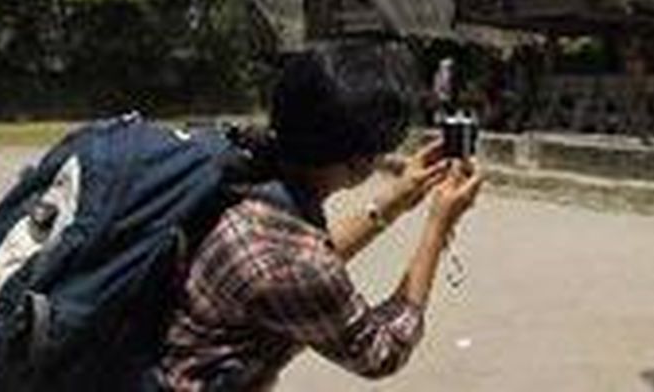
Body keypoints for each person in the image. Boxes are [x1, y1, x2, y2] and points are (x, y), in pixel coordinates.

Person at [155, 41, 483, 391]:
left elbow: (300, 262)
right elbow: (381, 353)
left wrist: (394, 202)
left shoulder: (243, 172)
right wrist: (438, 227)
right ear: (361, 161)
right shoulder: (293, 262)